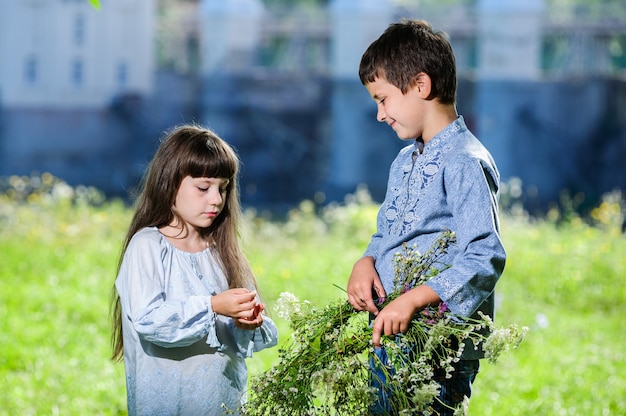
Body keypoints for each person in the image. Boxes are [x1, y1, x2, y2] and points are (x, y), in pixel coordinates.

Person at [346, 19, 506, 415]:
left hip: (436, 345)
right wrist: (366, 260)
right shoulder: (403, 161)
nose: (380, 114)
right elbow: (388, 231)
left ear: (420, 85)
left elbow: (484, 256)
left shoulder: (465, 162)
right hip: (392, 334)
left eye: (382, 99)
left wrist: (414, 300)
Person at [110, 124, 278, 415]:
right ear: (169, 182)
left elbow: (236, 341)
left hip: (224, 402)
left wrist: (245, 324)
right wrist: (212, 305)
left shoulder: (223, 251)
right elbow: (149, 321)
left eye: (223, 189)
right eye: (203, 187)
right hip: (168, 404)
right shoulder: (147, 246)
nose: (216, 199)